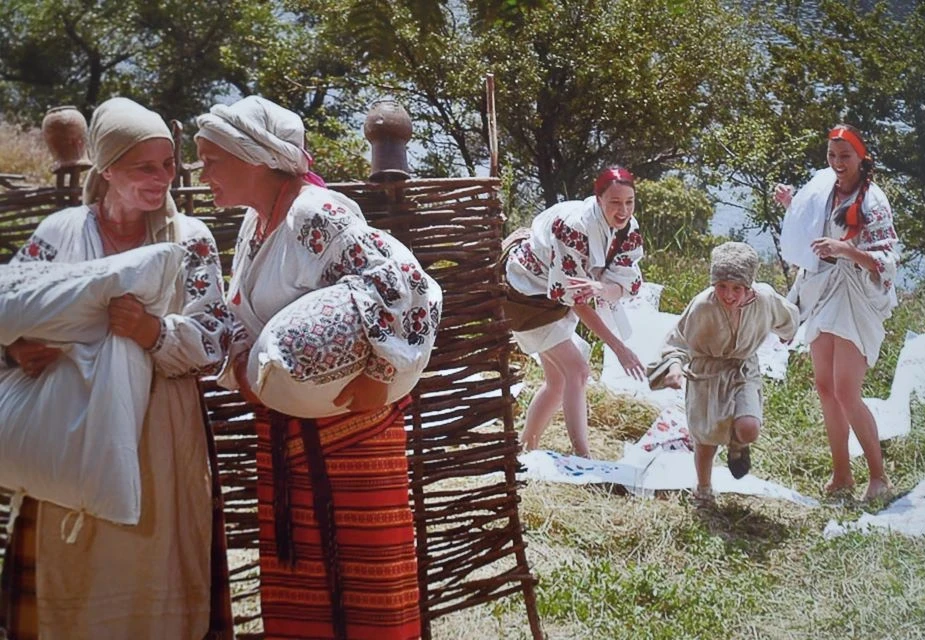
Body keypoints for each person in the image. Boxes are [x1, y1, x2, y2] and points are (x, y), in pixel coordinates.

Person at [195, 95, 441, 640]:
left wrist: (380, 375)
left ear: (254, 156)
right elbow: (246, 316)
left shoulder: (316, 214)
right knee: (301, 573)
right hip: (289, 432)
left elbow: (406, 285)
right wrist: (241, 369)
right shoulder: (256, 226)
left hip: (352, 432)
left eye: (211, 160)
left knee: (365, 575)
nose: (202, 172)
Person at [0, 97, 233, 639]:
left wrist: (153, 332)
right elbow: (9, 309)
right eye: (143, 166)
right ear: (106, 169)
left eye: (169, 164)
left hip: (160, 431)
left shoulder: (189, 239)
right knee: (68, 565)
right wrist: (13, 352)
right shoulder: (58, 236)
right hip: (68, 425)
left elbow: (219, 335)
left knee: (160, 565)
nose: (162, 179)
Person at [775, 124, 898, 501]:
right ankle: (841, 474)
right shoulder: (825, 188)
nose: (838, 163)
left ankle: (878, 477)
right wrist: (791, 204)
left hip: (854, 295)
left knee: (846, 392)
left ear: (861, 158)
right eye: (832, 155)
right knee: (826, 388)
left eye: (845, 156)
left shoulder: (873, 201)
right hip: (823, 288)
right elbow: (810, 224)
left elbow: (887, 258)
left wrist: (845, 250)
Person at [502, 166, 646, 458]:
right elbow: (576, 300)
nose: (623, 210)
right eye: (615, 202)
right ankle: (582, 456)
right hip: (527, 296)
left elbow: (625, 282)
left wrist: (604, 290)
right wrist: (618, 347)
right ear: (598, 199)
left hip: (554, 296)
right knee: (578, 371)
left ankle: (526, 449)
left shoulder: (627, 229)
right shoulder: (574, 228)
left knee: (558, 382)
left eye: (629, 202)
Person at [647, 242, 799, 504]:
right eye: (722, 287)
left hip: (743, 368)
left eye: (737, 289)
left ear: (748, 287)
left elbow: (788, 318)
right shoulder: (702, 305)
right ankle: (703, 489)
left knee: (749, 427)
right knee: (706, 438)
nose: (728, 295)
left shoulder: (764, 299)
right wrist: (673, 367)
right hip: (708, 372)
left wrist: (788, 335)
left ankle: (738, 444)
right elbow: (678, 340)